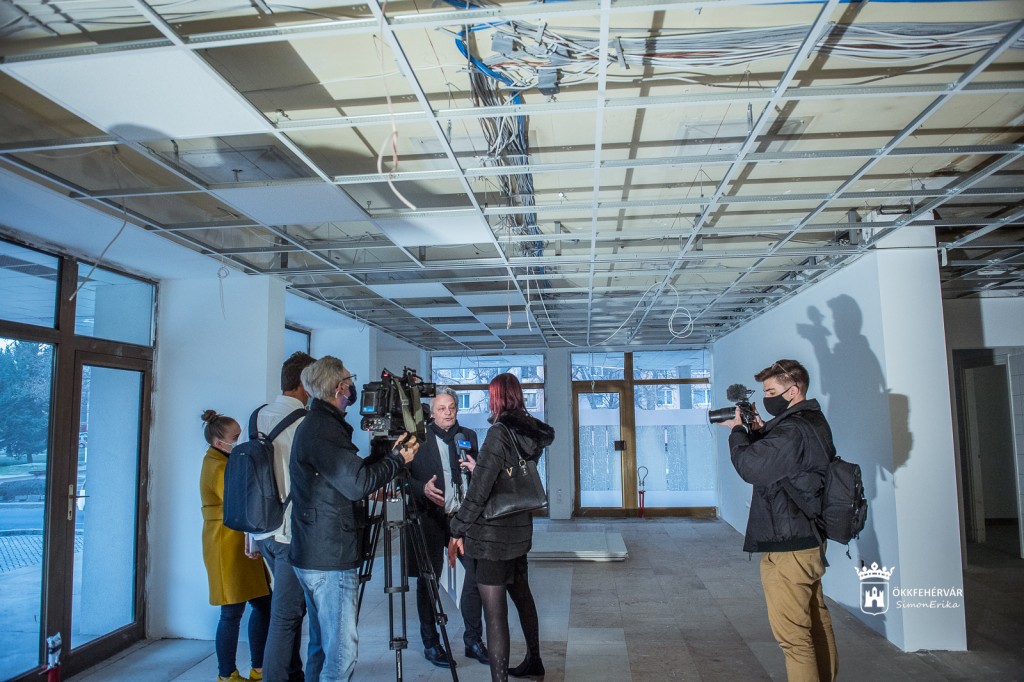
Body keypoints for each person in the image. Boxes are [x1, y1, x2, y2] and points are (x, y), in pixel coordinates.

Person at [288, 356, 419, 682]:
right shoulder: (323, 430)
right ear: (339, 388)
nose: (353, 386)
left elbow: (348, 475)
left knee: (321, 646)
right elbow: (358, 484)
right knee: (341, 654)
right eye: (350, 380)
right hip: (328, 558)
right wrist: (397, 460)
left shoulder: (319, 425)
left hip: (315, 550)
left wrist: (382, 457)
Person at [717, 359, 838, 682]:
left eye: (771, 391)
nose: (767, 398)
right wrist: (759, 431)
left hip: (789, 544)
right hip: (806, 538)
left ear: (793, 390)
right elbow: (782, 464)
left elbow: (751, 467)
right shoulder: (810, 421)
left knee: (794, 638)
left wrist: (738, 431)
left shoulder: (793, 429)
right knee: (816, 624)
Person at [448, 373, 554, 682]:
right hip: (519, 530)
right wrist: (480, 464)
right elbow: (510, 475)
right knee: (523, 597)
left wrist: (457, 528)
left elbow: (479, 492)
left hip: (492, 537)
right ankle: (534, 662)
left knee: (495, 615)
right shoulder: (529, 432)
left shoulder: (498, 432)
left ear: (496, 398)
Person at [251, 352, 323, 682]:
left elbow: (250, 480)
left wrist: (250, 535)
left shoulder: (257, 417)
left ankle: (292, 674)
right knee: (286, 616)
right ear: (306, 384)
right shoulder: (305, 424)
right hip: (290, 532)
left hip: (262, 530)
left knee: (286, 612)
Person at [406, 387, 487, 668]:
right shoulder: (418, 440)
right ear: (432, 412)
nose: (448, 412)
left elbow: (478, 477)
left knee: (475, 576)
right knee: (428, 580)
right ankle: (431, 643)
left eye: (452, 407)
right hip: (429, 518)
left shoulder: (469, 436)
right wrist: (421, 488)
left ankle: (473, 640)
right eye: (441, 408)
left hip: (462, 518)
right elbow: (401, 478)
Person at [200, 410, 272, 682]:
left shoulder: (225, 460)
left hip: (238, 539)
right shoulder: (216, 466)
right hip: (226, 543)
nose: (240, 441)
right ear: (219, 442)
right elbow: (237, 500)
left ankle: (258, 668)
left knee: (262, 603)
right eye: (236, 437)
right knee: (232, 610)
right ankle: (227, 673)